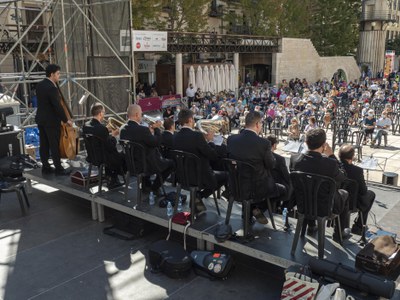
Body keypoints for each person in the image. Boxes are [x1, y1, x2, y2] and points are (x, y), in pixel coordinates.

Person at [227, 111, 286, 224]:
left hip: (235, 185)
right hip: (256, 189)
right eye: (262, 124)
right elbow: (271, 165)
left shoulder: (231, 139)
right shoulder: (263, 143)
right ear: (257, 124)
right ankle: (254, 208)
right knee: (283, 190)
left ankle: (249, 211)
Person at [290, 128, 349, 241]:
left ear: (306, 143)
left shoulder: (294, 159)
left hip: (302, 205)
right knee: (344, 193)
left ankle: (311, 226)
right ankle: (339, 232)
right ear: (323, 145)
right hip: (325, 208)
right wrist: (331, 155)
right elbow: (343, 177)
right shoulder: (330, 164)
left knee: (309, 190)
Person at [173, 109, 226, 213]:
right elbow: (212, 155)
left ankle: (197, 198)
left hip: (182, 177)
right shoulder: (197, 136)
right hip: (200, 178)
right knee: (226, 176)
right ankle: (199, 195)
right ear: (189, 120)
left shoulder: (175, 136)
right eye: (193, 119)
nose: (193, 121)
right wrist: (210, 141)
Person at [120, 104, 173, 194]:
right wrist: (156, 129)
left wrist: (149, 133)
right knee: (171, 164)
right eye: (140, 114)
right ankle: (155, 187)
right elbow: (157, 142)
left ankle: (146, 185)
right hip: (145, 165)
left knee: (144, 154)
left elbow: (143, 142)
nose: (141, 116)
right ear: (137, 115)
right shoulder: (142, 130)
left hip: (130, 164)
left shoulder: (122, 129)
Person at [35, 64, 72, 176]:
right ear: (52, 74)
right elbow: (57, 106)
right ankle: (59, 168)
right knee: (54, 145)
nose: (59, 76)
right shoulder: (52, 88)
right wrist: (66, 120)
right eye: (58, 74)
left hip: (41, 119)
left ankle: (45, 166)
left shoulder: (40, 85)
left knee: (44, 144)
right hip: (51, 121)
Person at [82, 103, 125, 189]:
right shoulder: (102, 129)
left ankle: (110, 177)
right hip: (102, 158)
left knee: (110, 152)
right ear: (101, 113)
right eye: (104, 112)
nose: (104, 114)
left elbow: (99, 138)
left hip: (91, 156)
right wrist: (113, 136)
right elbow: (110, 146)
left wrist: (106, 131)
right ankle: (113, 179)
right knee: (120, 155)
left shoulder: (85, 125)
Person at [339, 144, 375, 235]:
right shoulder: (357, 170)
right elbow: (363, 191)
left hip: (337, 198)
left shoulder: (335, 166)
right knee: (371, 194)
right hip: (352, 203)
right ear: (352, 156)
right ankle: (359, 226)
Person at [266, 135, 292, 210]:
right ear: (274, 145)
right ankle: (285, 207)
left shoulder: (260, 156)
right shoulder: (279, 159)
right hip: (275, 185)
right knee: (292, 184)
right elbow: (286, 176)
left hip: (265, 182)